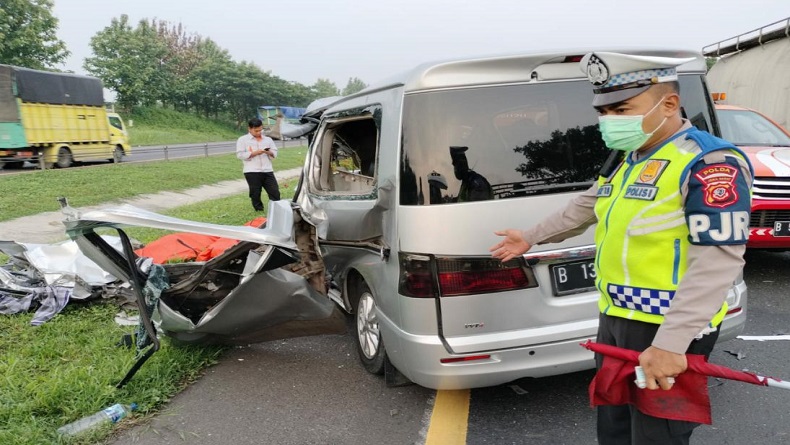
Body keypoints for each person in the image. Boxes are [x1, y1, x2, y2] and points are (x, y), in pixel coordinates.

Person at [489, 52, 753, 445]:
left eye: (622, 109)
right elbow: (586, 205)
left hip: (667, 324)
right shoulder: (630, 157)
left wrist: (671, 343)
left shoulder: (709, 161)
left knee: (657, 434)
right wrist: (531, 235)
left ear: (669, 103)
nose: (609, 120)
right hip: (616, 316)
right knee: (613, 422)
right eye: (605, 111)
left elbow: (718, 260)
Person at [236, 118, 280, 211]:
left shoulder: (268, 139)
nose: (259, 132)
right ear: (249, 129)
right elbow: (240, 155)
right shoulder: (243, 140)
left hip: (267, 170)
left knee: (274, 191)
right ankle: (259, 209)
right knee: (255, 193)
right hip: (252, 171)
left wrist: (268, 152)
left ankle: (276, 209)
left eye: (260, 130)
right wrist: (255, 153)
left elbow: (275, 153)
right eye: (256, 131)